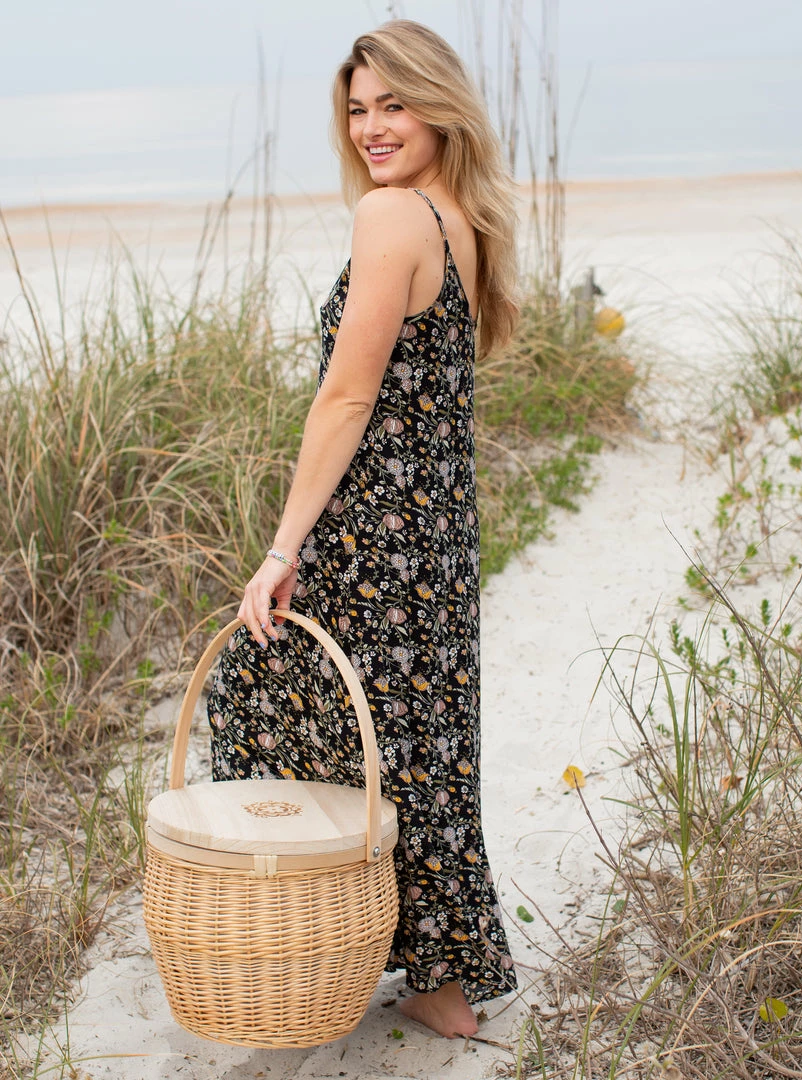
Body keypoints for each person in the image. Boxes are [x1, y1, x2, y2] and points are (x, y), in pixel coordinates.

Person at [207, 19, 520, 1039]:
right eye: (357, 108)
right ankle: (434, 974)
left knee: (270, 696)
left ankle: (303, 940)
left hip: (373, 533)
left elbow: (347, 399)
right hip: (433, 539)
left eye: (394, 103)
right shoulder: (458, 219)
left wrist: (281, 548)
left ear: (439, 103)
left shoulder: (392, 219)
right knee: (418, 740)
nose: (373, 126)